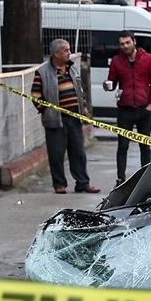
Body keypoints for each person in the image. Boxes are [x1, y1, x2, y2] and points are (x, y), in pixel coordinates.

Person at [31, 39, 99, 195]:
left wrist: (83, 107)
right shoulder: (43, 72)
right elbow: (35, 96)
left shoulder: (72, 69)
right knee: (56, 153)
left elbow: (79, 90)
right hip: (56, 120)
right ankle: (59, 184)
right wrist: (47, 111)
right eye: (66, 50)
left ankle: (83, 183)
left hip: (74, 118)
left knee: (78, 152)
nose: (69, 53)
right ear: (56, 53)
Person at [105, 30, 151, 186]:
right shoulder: (117, 61)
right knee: (122, 145)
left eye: (127, 42)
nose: (125, 46)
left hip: (144, 108)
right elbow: (113, 82)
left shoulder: (148, 59)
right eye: (122, 44)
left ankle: (146, 177)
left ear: (134, 41)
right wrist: (107, 85)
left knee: (145, 145)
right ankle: (121, 178)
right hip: (125, 108)